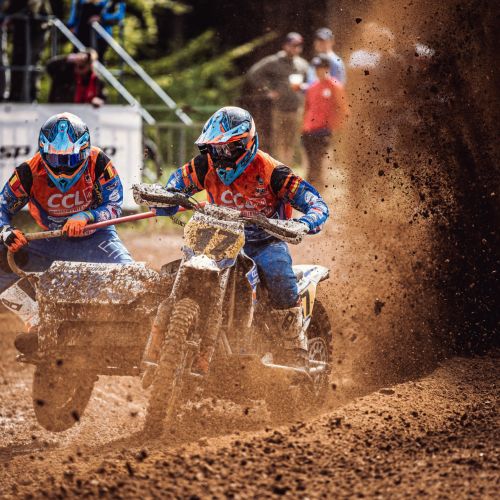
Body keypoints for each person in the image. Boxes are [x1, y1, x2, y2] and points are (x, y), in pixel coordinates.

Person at [152, 106, 329, 372]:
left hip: (263, 241)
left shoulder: (272, 171)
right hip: (216, 237)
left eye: (227, 148)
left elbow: (316, 203)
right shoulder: (204, 164)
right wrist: (167, 198)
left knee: (278, 273)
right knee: (177, 272)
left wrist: (304, 223)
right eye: (214, 149)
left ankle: (294, 348)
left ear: (246, 143)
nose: (220, 156)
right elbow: (177, 182)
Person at [0, 112, 133, 354]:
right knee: (2, 255)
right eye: (55, 158)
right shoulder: (28, 172)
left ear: (84, 151)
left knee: (132, 279)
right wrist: (6, 231)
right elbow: (2, 207)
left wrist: (87, 216)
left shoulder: (98, 162)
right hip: (53, 242)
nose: (63, 167)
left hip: (98, 238)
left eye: (71, 159)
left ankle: (130, 336)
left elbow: (114, 205)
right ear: (43, 151)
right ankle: (36, 319)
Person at [245, 32, 309, 165]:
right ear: (285, 45)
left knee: (291, 142)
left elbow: (310, 82)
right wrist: (267, 91)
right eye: (293, 45)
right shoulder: (274, 61)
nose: (295, 48)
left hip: (296, 109)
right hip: (278, 109)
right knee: (279, 141)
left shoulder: (303, 64)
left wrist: (304, 89)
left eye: (298, 46)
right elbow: (253, 73)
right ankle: (280, 168)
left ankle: (287, 168)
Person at [302, 55, 348, 187]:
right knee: (311, 160)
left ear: (327, 68)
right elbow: (307, 108)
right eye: (317, 68)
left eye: (321, 68)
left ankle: (320, 185)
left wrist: (337, 127)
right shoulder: (312, 87)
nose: (318, 71)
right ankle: (312, 185)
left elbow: (343, 108)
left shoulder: (334, 86)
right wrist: (303, 127)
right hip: (310, 129)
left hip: (325, 129)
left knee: (321, 159)